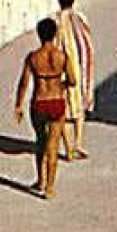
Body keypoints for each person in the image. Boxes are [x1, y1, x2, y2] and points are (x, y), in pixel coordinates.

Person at [14, 18, 70, 199]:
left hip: (39, 102)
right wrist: (62, 85)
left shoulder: (33, 57)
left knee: (40, 142)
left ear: (39, 35)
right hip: (57, 101)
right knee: (53, 145)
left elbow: (24, 83)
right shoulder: (62, 56)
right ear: (54, 34)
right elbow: (73, 80)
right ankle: (50, 188)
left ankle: (41, 180)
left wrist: (18, 105)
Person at [54, 0, 94, 161]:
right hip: (79, 67)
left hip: (61, 68)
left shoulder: (54, 20)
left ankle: (68, 147)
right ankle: (78, 143)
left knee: (62, 109)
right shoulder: (80, 18)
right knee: (79, 108)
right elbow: (87, 43)